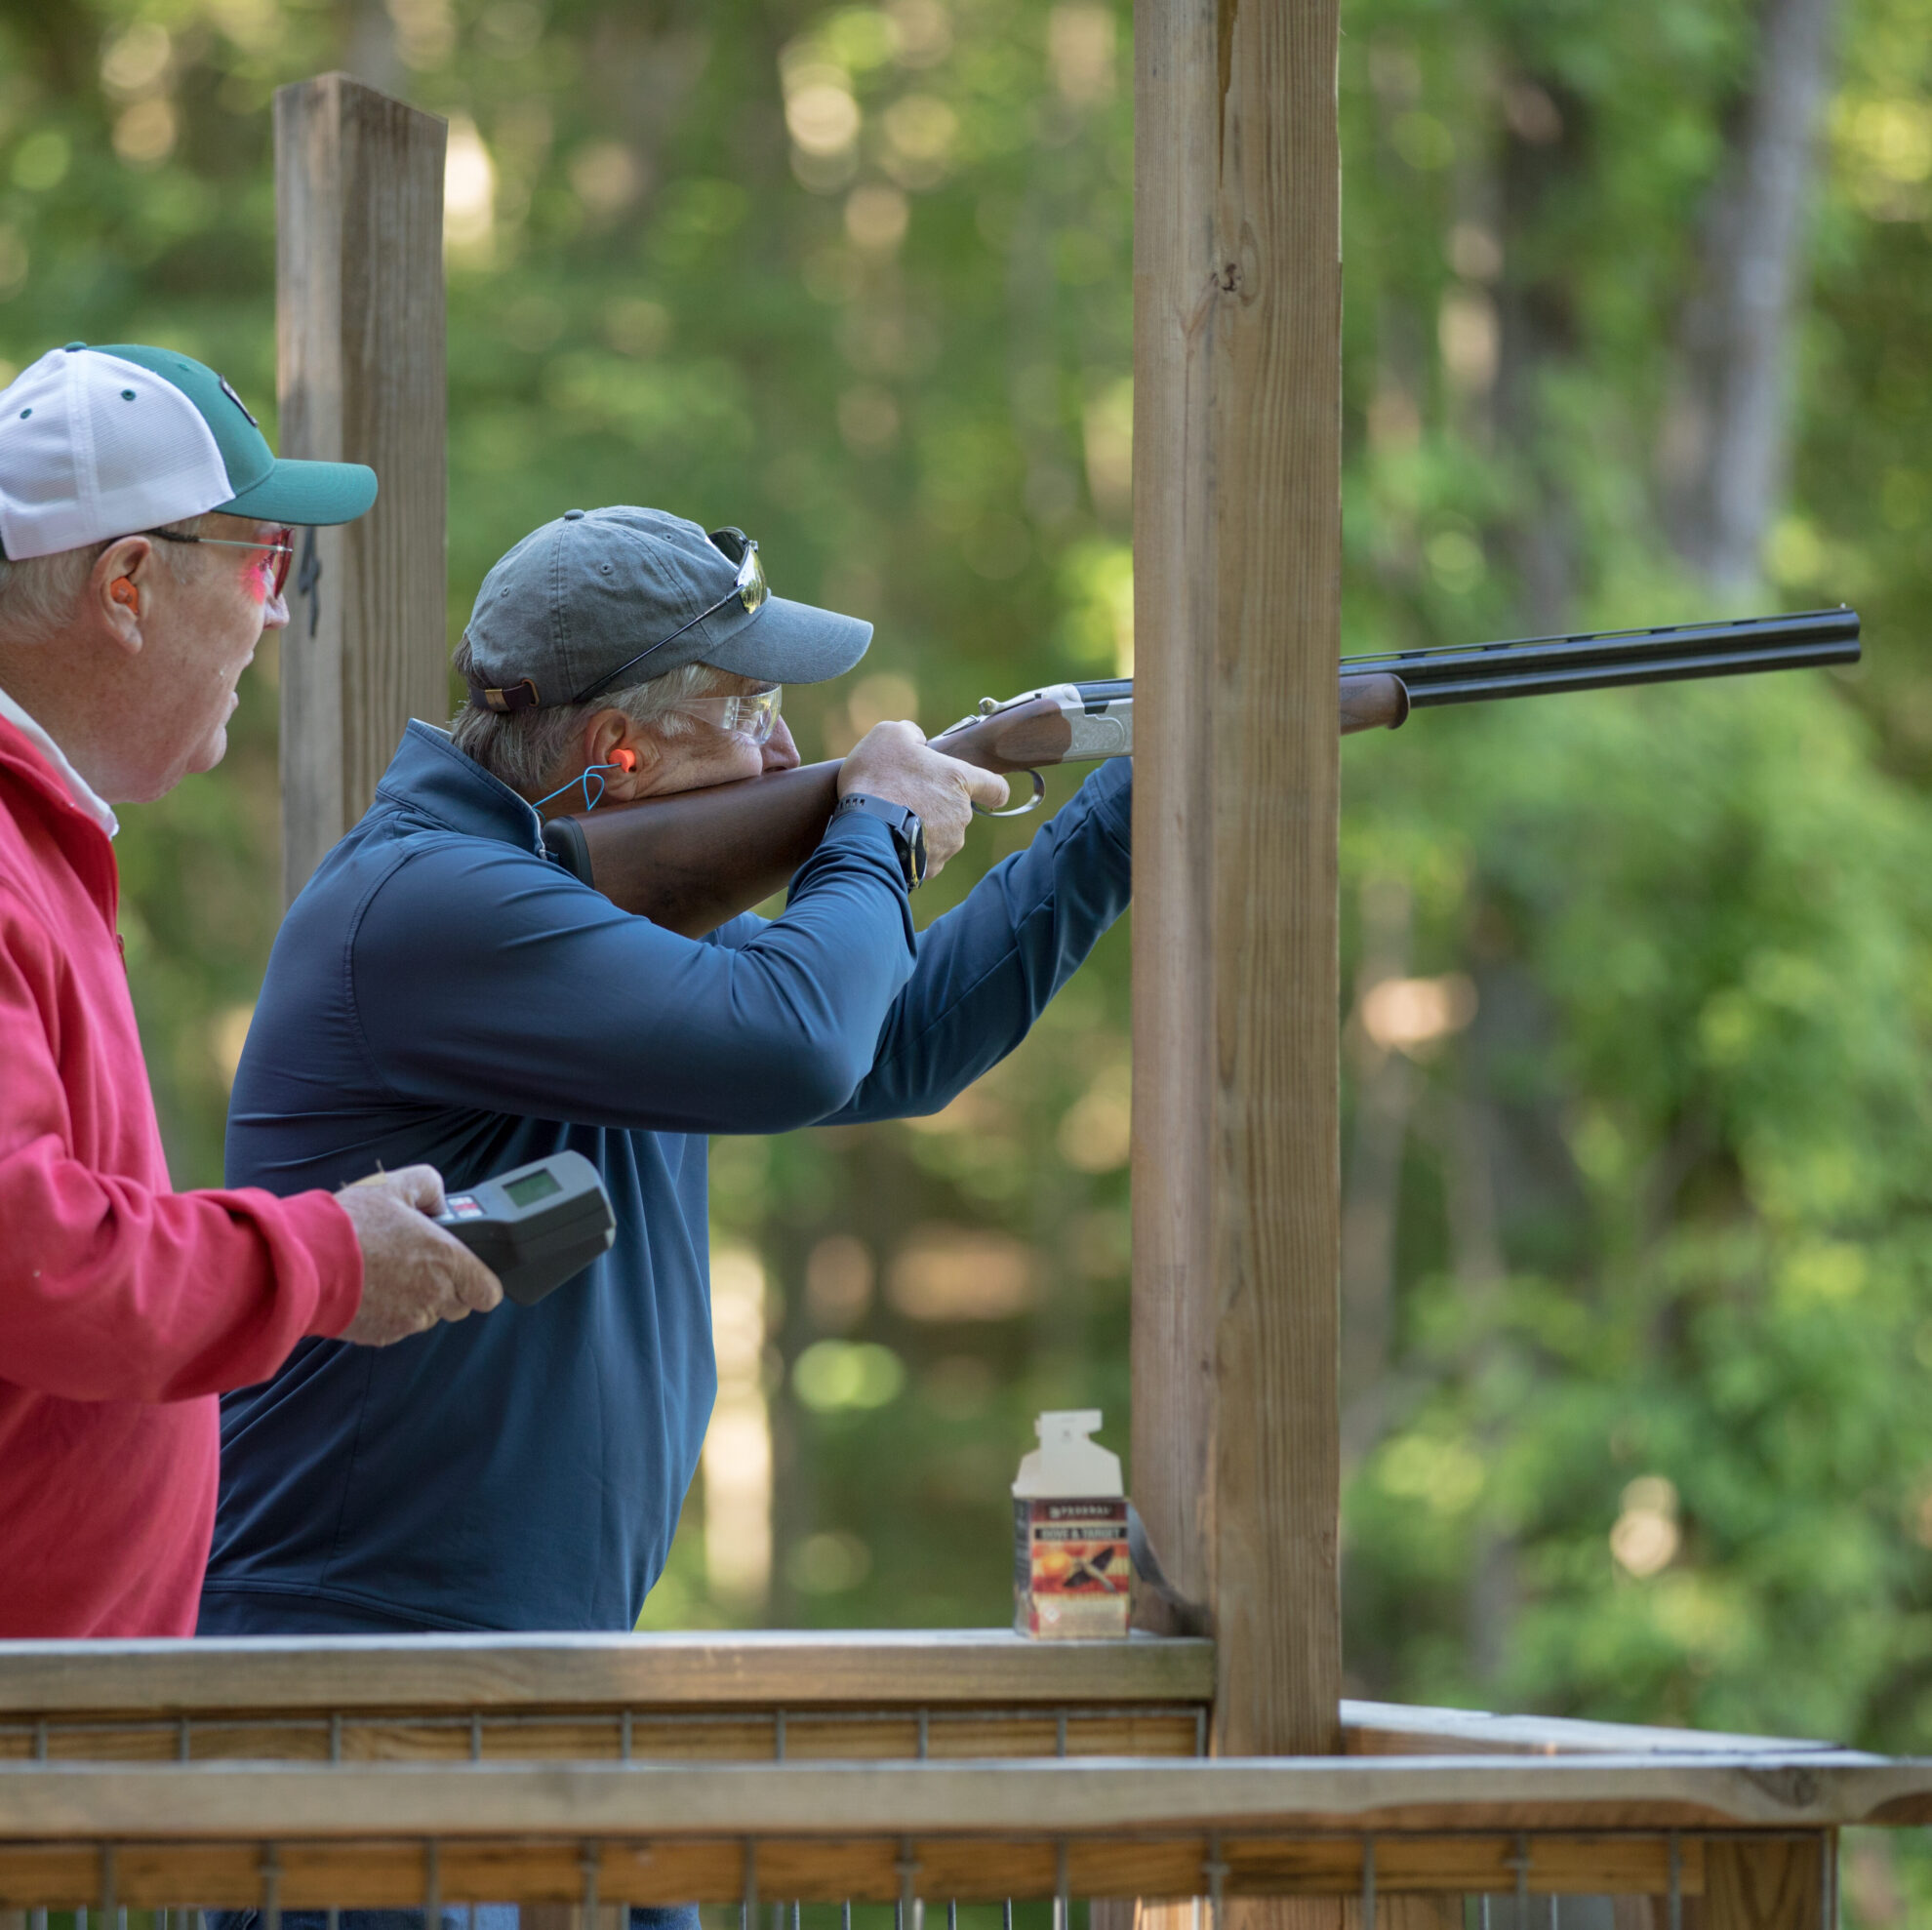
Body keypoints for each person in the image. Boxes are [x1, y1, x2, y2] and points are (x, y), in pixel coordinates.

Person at [201, 503, 1133, 1642]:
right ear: (615, 754)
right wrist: (876, 829)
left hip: (494, 1648)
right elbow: (798, 1042)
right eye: (749, 710)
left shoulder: (557, 901)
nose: (788, 754)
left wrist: (1124, 812)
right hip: (347, 1648)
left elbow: (900, 1042)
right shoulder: (427, 901)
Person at [0, 341, 503, 1639]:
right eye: (265, 562)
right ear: (127, 584)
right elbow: (33, 1259)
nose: (275, 613)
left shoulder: (38, 840)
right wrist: (325, 1258)